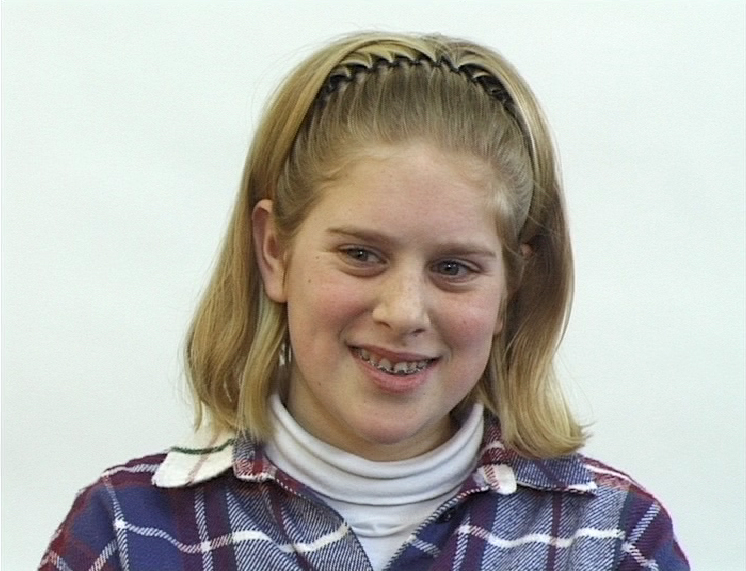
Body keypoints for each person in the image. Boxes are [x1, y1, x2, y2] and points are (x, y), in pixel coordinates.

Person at [39, 31, 689, 571]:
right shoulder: (127, 534)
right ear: (275, 252)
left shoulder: (611, 540)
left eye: (454, 267)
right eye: (361, 255)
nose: (404, 311)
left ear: (511, 287)